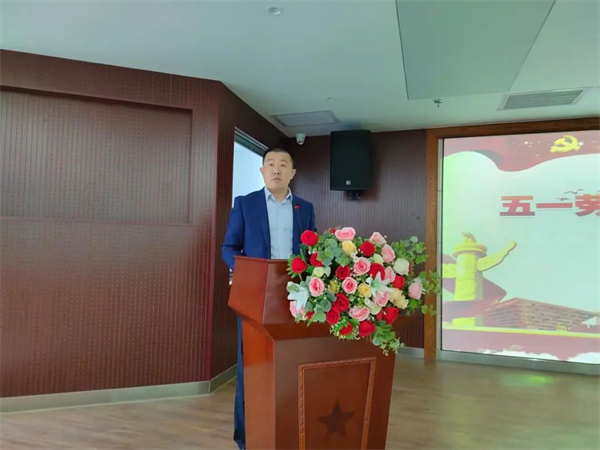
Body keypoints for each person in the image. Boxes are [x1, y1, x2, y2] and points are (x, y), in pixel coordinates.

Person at [222, 147, 317, 450]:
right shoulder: (245, 204)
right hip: (256, 298)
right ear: (262, 171)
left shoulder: (304, 208)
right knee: (252, 369)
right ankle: (247, 438)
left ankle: (289, 432)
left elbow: (313, 252)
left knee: (291, 367)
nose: (277, 169)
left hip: (296, 300)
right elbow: (229, 247)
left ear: (292, 173)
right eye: (271, 164)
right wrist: (248, 273)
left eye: (283, 165)